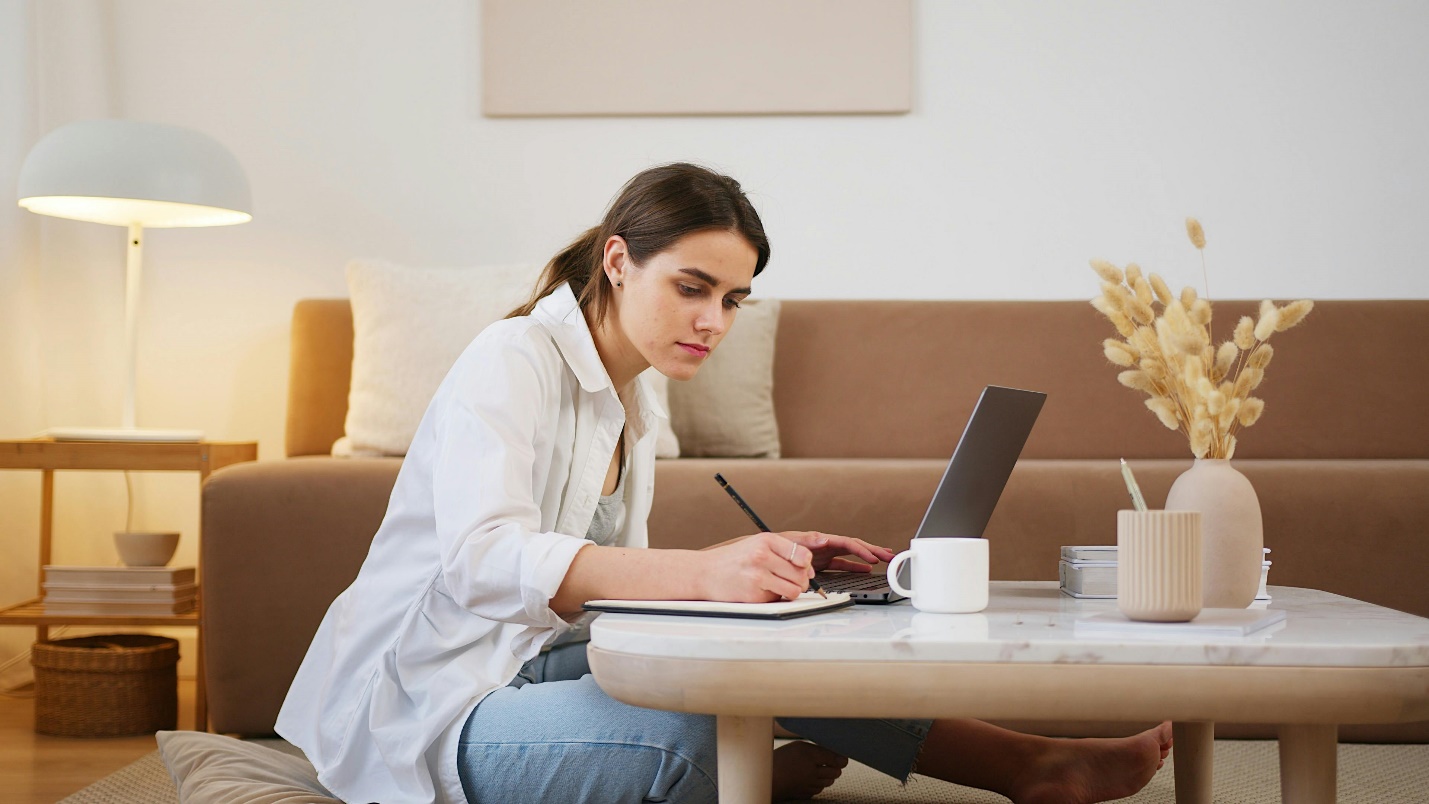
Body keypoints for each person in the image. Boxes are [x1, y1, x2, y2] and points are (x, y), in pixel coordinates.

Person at [276, 163, 1173, 804]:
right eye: (692, 288)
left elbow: (598, 588)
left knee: (773, 651)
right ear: (619, 261)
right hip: (427, 704)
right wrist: (705, 575)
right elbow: (483, 561)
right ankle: (744, 780)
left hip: (524, 661)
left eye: (733, 300)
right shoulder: (512, 359)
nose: (713, 321)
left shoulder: (636, 397)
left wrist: (755, 572)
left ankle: (1026, 764)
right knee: (698, 736)